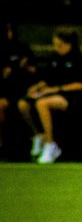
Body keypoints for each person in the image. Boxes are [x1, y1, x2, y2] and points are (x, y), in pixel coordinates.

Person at [17, 27, 82, 164]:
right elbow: (47, 78)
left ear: (69, 44)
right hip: (51, 93)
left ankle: (50, 144)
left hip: (71, 97)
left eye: (59, 45)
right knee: (23, 104)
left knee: (42, 103)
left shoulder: (78, 59)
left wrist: (56, 89)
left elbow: (80, 85)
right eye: (54, 45)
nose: (56, 48)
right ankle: (38, 135)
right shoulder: (54, 58)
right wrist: (37, 87)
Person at [0, 21, 35, 159]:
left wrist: (22, 67)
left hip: (23, 90)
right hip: (5, 91)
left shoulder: (23, 48)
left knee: (23, 104)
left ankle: (36, 139)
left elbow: (33, 70)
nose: (8, 33)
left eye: (10, 30)